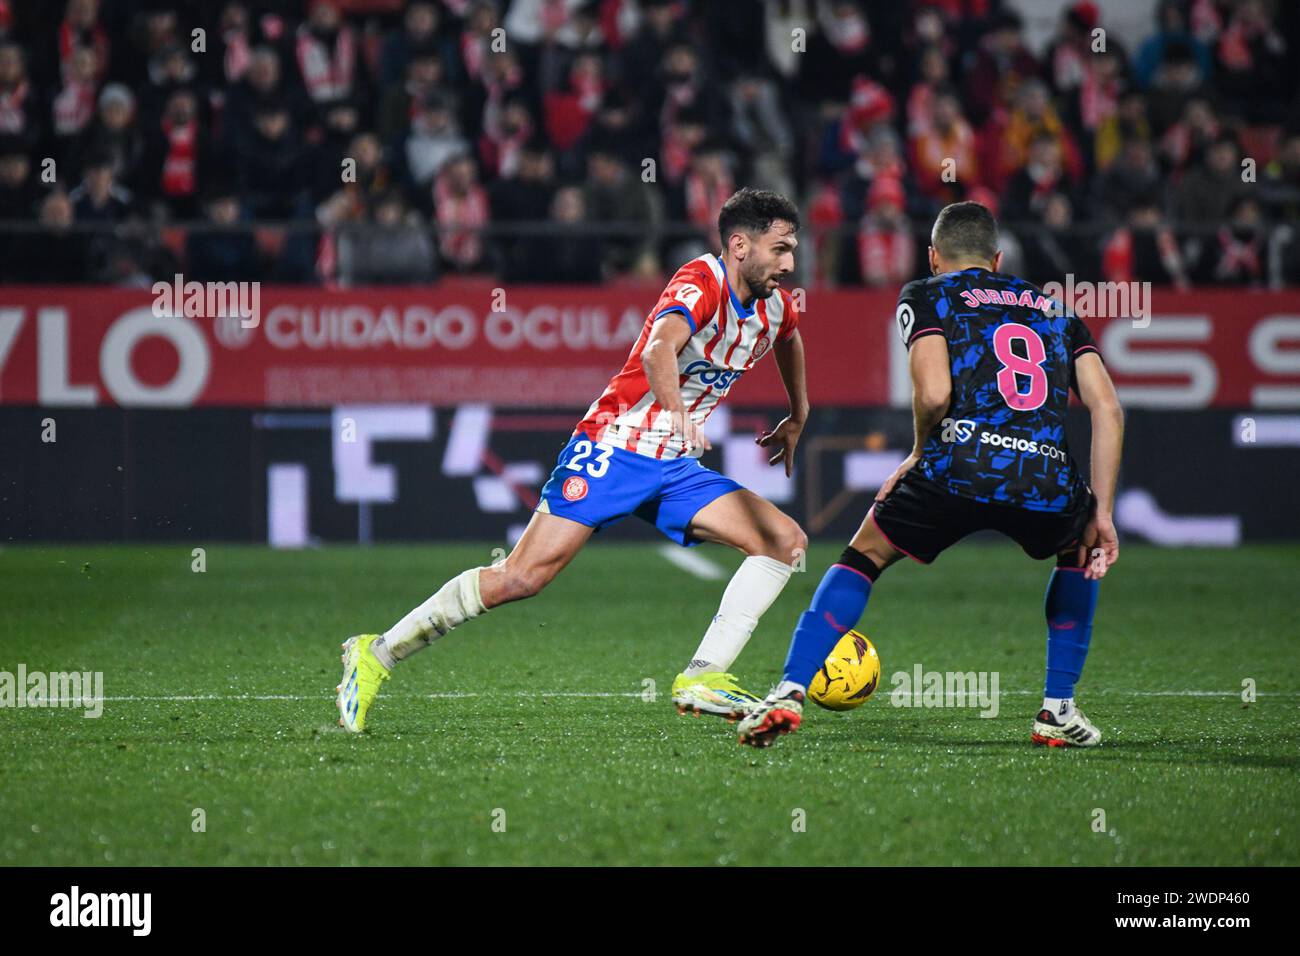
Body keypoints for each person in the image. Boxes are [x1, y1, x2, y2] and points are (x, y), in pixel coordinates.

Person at [337, 188, 810, 732]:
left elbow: (789, 338)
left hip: (674, 467)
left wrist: (798, 414)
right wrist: (678, 413)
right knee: (520, 578)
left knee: (784, 542)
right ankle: (375, 654)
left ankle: (701, 677)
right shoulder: (701, 280)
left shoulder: (775, 305)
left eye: (792, 249)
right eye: (779, 249)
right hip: (616, 446)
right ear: (739, 245)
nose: (789, 263)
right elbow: (659, 348)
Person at [738, 201, 1125, 749]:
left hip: (956, 464)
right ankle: (1057, 709)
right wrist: (1102, 513)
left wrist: (920, 452)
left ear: (933, 257)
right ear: (996, 258)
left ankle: (789, 689)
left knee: (863, 556)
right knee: (1080, 551)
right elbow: (1107, 409)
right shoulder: (1056, 309)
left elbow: (936, 392)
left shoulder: (927, 293)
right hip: (1043, 475)